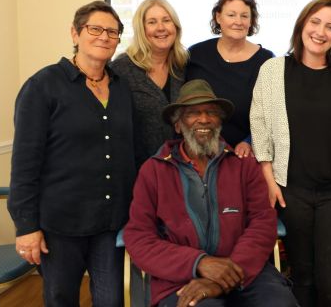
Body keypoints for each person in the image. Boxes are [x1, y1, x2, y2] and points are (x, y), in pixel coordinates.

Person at [124, 79, 297, 307]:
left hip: (245, 270)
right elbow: (139, 238)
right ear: (178, 125)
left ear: (220, 122)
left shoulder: (243, 165)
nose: (203, 119)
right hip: (180, 277)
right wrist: (200, 263)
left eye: (211, 113)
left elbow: (262, 223)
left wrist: (222, 279)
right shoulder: (154, 170)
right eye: (193, 113)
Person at [8, 0, 136, 306]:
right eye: (95, 29)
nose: (104, 37)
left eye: (113, 32)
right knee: (61, 299)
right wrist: (26, 227)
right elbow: (25, 163)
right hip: (61, 225)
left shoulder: (121, 87)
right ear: (75, 33)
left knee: (111, 301)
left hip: (111, 223)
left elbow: (129, 151)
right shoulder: (42, 86)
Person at [250, 0, 331, 307]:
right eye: (315, 22)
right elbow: (259, 126)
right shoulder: (273, 70)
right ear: (302, 24)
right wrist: (270, 180)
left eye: (330, 27)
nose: (320, 31)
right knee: (302, 276)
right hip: (292, 191)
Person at [186, 0, 273, 158]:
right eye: (231, 15)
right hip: (199, 153)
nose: (238, 22)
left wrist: (250, 141)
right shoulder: (195, 54)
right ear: (218, 17)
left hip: (244, 156)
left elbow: (271, 115)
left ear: (251, 21)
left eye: (244, 16)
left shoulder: (266, 61)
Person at [110, 0, 188, 168]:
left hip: (179, 170)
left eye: (166, 20)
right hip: (137, 170)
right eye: (152, 22)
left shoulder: (184, 66)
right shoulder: (122, 68)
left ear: (175, 26)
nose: (161, 28)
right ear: (142, 29)